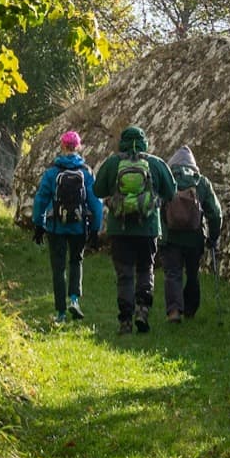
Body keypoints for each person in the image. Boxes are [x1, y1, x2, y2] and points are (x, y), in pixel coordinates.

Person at [93, 125, 175, 334]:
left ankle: (125, 320)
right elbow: (171, 191)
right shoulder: (155, 164)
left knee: (125, 274)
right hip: (147, 228)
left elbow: (97, 190)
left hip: (119, 229)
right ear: (144, 141)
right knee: (145, 270)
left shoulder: (113, 163)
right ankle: (143, 311)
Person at [32, 130, 103, 324]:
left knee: (58, 268)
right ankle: (74, 300)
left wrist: (39, 224)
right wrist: (95, 229)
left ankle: (61, 313)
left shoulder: (52, 172)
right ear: (78, 147)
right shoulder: (85, 172)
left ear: (62, 146)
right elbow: (96, 203)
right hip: (79, 227)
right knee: (76, 262)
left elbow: (40, 200)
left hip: (56, 227)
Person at [158, 146, 222, 324]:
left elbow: (157, 206)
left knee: (173, 273)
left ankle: (174, 311)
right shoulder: (201, 182)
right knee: (193, 274)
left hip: (170, 237)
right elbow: (215, 213)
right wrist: (213, 237)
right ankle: (191, 310)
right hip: (195, 238)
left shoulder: (168, 180)